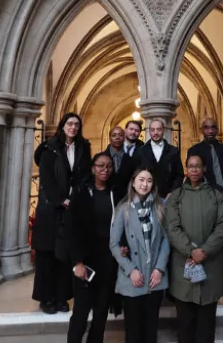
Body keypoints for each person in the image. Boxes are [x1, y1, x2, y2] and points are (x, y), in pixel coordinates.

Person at [31, 113, 91, 314]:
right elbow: (47, 179)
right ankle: (46, 298)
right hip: (51, 208)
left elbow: (84, 175)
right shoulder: (49, 148)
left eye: (76, 124)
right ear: (63, 125)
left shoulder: (83, 147)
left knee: (64, 253)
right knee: (47, 253)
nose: (73, 127)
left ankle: (61, 296)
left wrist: (76, 198)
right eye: (70, 123)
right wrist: (60, 199)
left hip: (71, 208)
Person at [166, 155, 223, 343]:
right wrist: (190, 251)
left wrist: (205, 250)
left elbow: (222, 226)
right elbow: (172, 227)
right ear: (186, 169)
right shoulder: (176, 196)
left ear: (204, 169)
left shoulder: (216, 196)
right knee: (185, 324)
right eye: (190, 166)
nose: (194, 170)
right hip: (183, 263)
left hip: (210, 264)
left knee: (206, 326)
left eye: (198, 166)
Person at [64, 153, 125, 343]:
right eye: (100, 166)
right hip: (86, 260)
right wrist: (78, 262)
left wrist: (122, 246)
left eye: (109, 166)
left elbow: (123, 223)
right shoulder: (81, 192)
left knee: (101, 312)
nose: (105, 170)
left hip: (108, 260)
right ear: (93, 168)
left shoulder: (116, 192)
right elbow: (72, 229)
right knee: (80, 313)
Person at [110, 168, 169, 343]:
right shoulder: (123, 209)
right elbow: (113, 244)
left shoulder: (160, 207)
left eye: (149, 181)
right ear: (133, 183)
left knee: (151, 329)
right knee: (133, 331)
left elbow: (166, 240)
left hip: (154, 278)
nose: (145, 184)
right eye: (141, 180)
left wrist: (159, 269)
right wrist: (131, 270)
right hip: (133, 277)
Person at [187, 117, 223, 304]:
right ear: (202, 129)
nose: (210, 130)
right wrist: (219, 190)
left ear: (217, 129)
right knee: (208, 248)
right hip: (207, 204)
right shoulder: (195, 150)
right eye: (207, 127)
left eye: (213, 127)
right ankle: (210, 287)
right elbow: (196, 176)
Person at [139, 118, 184, 200]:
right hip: (146, 196)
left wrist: (172, 192)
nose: (155, 132)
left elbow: (179, 175)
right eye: (153, 130)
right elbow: (137, 174)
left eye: (159, 129)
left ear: (164, 130)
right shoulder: (141, 151)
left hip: (168, 197)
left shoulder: (173, 151)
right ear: (149, 131)